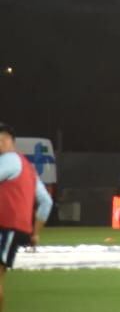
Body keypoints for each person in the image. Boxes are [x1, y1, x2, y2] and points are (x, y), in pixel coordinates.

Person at [0, 122, 54, 310]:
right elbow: (46, 201)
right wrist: (35, 233)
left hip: (5, 227)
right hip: (17, 229)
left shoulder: (8, 159)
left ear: (8, 141)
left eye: (1, 139)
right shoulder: (28, 168)